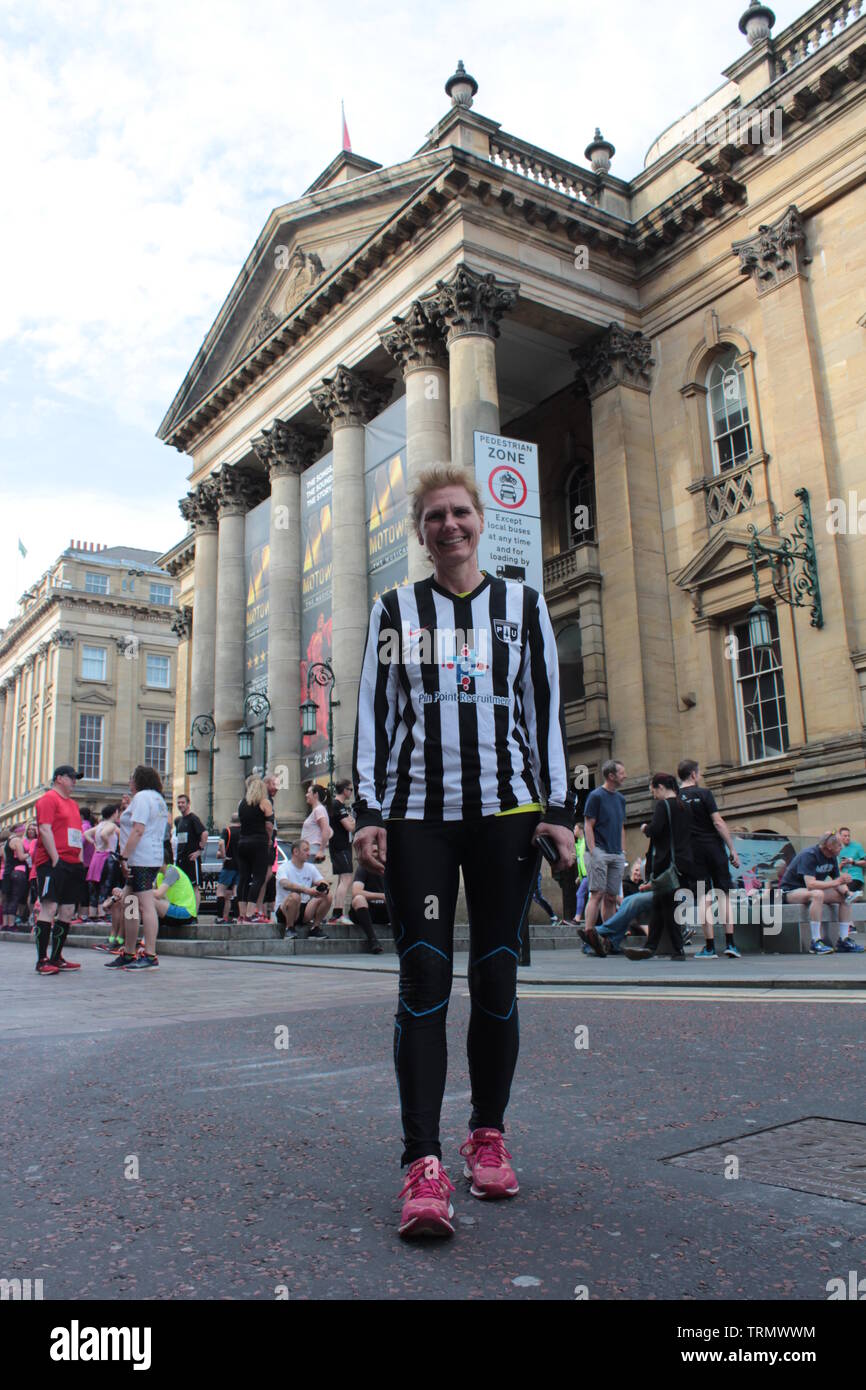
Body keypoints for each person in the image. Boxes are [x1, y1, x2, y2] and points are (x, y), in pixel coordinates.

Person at [353, 462, 574, 1239]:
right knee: (422, 976)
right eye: (435, 518)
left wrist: (557, 810)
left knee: (496, 973)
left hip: (508, 812)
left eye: (460, 513)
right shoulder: (394, 611)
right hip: (418, 816)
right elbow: (375, 719)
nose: (449, 526)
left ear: (480, 521)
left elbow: (544, 710)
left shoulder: (523, 606)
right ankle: (421, 1162)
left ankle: (488, 1135)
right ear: (420, 534)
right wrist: (369, 813)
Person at [624, 773, 695, 962]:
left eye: (653, 790)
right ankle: (651, 946)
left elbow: (655, 830)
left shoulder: (664, 806)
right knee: (660, 905)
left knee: (668, 907)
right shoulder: (685, 806)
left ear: (661, 787)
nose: (654, 795)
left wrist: (644, 828)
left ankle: (676, 949)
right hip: (684, 862)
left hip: (667, 865)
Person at [104, 766, 170, 972]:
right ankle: (129, 952)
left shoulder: (142, 798)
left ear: (139, 780)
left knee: (146, 905)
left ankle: (150, 954)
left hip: (140, 858)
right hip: (146, 857)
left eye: (131, 778)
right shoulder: (158, 799)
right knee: (129, 902)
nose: (129, 781)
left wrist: (123, 856)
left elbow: (138, 829)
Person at [677, 759, 742, 959]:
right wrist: (732, 848)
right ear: (694, 775)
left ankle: (710, 947)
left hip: (692, 852)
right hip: (714, 848)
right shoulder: (705, 794)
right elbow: (718, 822)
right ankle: (731, 944)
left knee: (703, 897)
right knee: (723, 894)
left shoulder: (676, 798)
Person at [32, 765, 86, 974]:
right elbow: (44, 829)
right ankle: (42, 959)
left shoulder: (72, 804)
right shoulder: (48, 799)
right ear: (59, 779)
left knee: (67, 910)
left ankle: (57, 957)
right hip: (52, 863)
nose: (74, 781)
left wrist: (79, 858)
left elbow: (76, 833)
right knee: (50, 907)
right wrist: (55, 858)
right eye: (72, 778)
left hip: (72, 863)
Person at [779, 833, 863, 954]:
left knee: (844, 898)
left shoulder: (832, 856)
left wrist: (847, 893)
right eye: (839, 845)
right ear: (829, 846)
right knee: (817, 894)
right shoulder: (809, 855)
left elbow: (838, 880)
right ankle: (815, 941)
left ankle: (844, 940)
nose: (842, 848)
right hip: (791, 891)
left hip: (809, 890)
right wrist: (837, 882)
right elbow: (810, 884)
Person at [583, 762, 628, 943]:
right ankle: (588, 933)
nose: (625, 776)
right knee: (597, 894)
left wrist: (623, 850)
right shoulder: (596, 796)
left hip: (616, 853)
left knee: (610, 897)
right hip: (600, 851)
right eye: (622, 773)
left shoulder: (621, 799)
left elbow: (622, 826)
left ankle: (608, 937)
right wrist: (593, 851)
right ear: (611, 776)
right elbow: (588, 824)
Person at [580, 857, 652, 956]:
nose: (638, 874)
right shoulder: (626, 884)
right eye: (636, 870)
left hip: (666, 892)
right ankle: (610, 942)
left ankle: (596, 932)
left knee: (634, 902)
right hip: (656, 890)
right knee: (627, 901)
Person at [236, 774, 275, 922]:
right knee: (258, 877)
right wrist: (269, 839)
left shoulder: (242, 804)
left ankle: (241, 913)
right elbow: (269, 825)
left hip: (242, 842)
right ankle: (250, 914)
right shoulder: (265, 802)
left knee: (243, 878)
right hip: (258, 842)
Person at [275, 840, 331, 939]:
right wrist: (307, 890)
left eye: (308, 850)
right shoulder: (283, 868)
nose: (309, 853)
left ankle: (315, 928)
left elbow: (322, 881)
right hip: (285, 909)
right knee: (295, 896)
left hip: (304, 909)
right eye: (305, 850)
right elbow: (285, 883)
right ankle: (289, 928)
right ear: (296, 852)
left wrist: (323, 887)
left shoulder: (310, 867)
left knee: (327, 896)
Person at [327, 780, 356, 925]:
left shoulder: (337, 806)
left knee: (342, 879)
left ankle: (337, 913)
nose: (351, 792)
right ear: (344, 790)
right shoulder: (337, 805)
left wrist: (351, 821)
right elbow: (349, 827)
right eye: (350, 789)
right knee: (346, 878)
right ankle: (337, 913)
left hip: (340, 846)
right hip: (340, 846)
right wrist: (353, 821)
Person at [174, 794, 208, 911]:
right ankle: (185, 911)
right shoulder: (179, 821)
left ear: (188, 804)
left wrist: (199, 851)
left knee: (194, 887)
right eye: (178, 803)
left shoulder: (193, 818)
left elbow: (204, 833)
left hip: (191, 860)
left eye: (183, 802)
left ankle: (194, 914)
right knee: (183, 887)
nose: (180, 805)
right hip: (181, 860)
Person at [348, 863, 386, 953]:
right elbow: (356, 892)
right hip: (365, 912)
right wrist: (382, 896)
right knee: (358, 898)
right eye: (374, 852)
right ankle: (373, 940)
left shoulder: (392, 869)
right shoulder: (364, 867)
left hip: (384, 912)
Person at [153, 862, 198, 928]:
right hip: (172, 909)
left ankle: (145, 937)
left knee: (149, 899)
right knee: (139, 900)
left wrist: (141, 891)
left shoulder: (172, 871)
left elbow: (158, 894)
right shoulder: (159, 875)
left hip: (185, 912)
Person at [2, 826, 30, 929]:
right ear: (21, 831)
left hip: (7, 872)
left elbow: (5, 859)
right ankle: (11, 924)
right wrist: (30, 853)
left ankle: (5, 924)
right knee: (15, 898)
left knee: (7, 898)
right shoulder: (17, 840)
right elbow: (21, 857)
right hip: (18, 871)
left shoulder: (7, 842)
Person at [216, 813, 240, 922]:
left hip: (229, 864)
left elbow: (221, 843)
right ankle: (236, 917)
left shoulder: (227, 830)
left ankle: (220, 917)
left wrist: (224, 855)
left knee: (220, 891)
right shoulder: (244, 831)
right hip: (240, 865)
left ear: (231, 820)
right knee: (235, 892)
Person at [301, 783, 331, 864]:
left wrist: (321, 850)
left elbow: (326, 830)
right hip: (310, 850)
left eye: (308, 792)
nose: (306, 795)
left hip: (313, 850)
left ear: (316, 794)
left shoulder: (319, 810)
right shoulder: (317, 810)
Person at [837, 827, 866, 899]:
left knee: (846, 896)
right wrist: (842, 864)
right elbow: (835, 870)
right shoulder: (837, 849)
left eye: (848, 836)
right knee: (837, 895)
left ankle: (855, 895)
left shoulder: (857, 846)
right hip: (843, 879)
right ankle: (856, 895)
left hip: (855, 878)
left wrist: (853, 862)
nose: (847, 838)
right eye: (845, 836)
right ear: (840, 837)